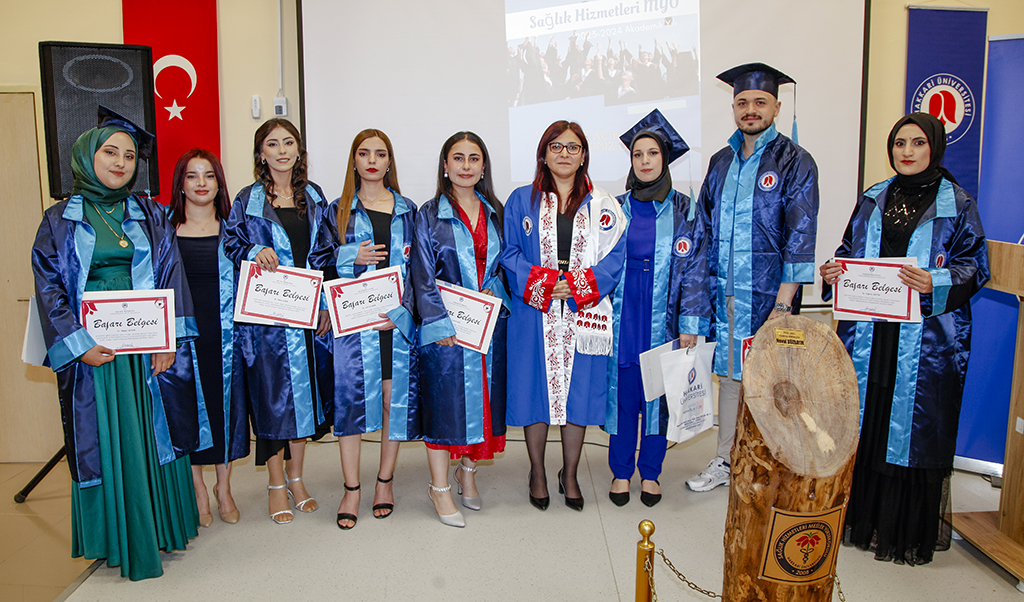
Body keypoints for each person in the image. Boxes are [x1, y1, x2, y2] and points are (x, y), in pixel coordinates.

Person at [31, 106, 208, 580]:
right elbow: (48, 288)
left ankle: (161, 528)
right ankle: (115, 536)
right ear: (88, 157)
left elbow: (171, 275)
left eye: (130, 156)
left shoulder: (149, 212)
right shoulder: (58, 220)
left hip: (146, 344)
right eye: (110, 152)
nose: (121, 163)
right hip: (95, 351)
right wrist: (76, 343)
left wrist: (169, 339)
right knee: (104, 434)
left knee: (155, 428)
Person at [820, 112, 989, 565]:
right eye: (899, 143)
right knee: (869, 419)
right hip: (869, 336)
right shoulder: (874, 197)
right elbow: (847, 251)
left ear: (934, 146)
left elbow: (976, 264)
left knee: (912, 431)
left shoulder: (958, 203)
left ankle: (901, 530)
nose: (907, 151)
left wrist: (934, 280)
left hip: (927, 340)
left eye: (917, 142)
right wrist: (834, 271)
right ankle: (862, 519)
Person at [684, 63, 819, 493]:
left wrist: (783, 303)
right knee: (729, 376)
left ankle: (769, 464)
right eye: (742, 102)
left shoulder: (795, 161)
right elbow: (703, 229)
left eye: (760, 102)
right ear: (734, 108)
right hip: (727, 295)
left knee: (773, 380)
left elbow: (801, 236)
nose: (750, 110)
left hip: (770, 297)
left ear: (777, 107)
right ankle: (725, 459)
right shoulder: (721, 162)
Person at [501, 121, 627, 512]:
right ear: (544, 153)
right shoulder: (522, 200)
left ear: (584, 154)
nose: (564, 154)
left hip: (582, 312)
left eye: (573, 147)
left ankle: (569, 473)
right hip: (532, 312)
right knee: (533, 390)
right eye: (556, 146)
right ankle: (537, 471)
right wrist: (544, 282)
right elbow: (508, 254)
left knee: (580, 393)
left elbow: (615, 257)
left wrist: (577, 286)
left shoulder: (603, 204)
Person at [393, 132, 508, 528]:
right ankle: (439, 488)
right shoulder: (427, 214)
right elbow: (421, 274)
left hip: (484, 327)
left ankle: (468, 474)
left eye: (473, 158)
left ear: (483, 167)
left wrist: (496, 294)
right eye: (457, 158)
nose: (465, 166)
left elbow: (503, 264)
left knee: (482, 404)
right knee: (445, 409)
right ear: (445, 165)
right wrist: (439, 323)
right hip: (444, 327)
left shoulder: (496, 210)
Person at [223, 118, 332, 525]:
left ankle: (297, 478)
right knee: (271, 401)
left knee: (304, 400)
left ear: (299, 151)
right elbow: (230, 243)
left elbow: (326, 253)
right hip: (265, 322)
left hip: (306, 315)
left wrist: (325, 304)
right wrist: (252, 250)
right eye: (273, 144)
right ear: (261, 153)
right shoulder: (247, 200)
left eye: (289, 142)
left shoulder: (315, 197)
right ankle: (274, 484)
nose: (282, 150)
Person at [309, 129, 418, 530]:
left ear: (390, 162)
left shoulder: (409, 210)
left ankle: (384, 481)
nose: (372, 160)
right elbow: (316, 259)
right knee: (351, 402)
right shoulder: (336, 210)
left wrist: (407, 310)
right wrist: (348, 253)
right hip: (353, 322)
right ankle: (351, 488)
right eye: (364, 153)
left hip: (395, 319)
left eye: (381, 153)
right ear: (354, 161)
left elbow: (423, 268)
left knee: (393, 400)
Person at [605, 110, 710, 507]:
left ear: (665, 159)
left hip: (664, 316)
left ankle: (650, 472)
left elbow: (698, 269)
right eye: (637, 154)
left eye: (652, 153)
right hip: (622, 314)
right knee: (624, 395)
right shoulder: (614, 208)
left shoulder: (685, 210)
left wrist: (689, 325)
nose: (645, 160)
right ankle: (620, 471)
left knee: (659, 398)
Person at [169, 149, 247, 526]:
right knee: (187, 406)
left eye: (209, 175)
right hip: (183, 334)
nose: (201, 183)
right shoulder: (165, 230)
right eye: (192, 176)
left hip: (226, 333)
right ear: (180, 185)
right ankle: (198, 487)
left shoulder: (235, 229)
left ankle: (224, 486)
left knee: (224, 407)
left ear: (219, 183)